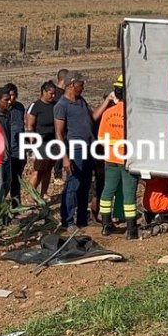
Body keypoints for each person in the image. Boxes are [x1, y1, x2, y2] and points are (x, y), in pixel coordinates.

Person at [53, 71, 111, 229]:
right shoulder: (61, 106)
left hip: (89, 148)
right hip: (75, 150)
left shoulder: (81, 101)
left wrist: (107, 101)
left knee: (85, 184)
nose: (83, 87)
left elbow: (93, 117)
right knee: (73, 184)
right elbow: (59, 133)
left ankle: (82, 218)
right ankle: (67, 220)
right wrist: (65, 158)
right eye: (81, 84)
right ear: (72, 85)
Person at [97, 75, 138, 239]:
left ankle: (106, 226)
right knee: (129, 194)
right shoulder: (132, 114)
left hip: (110, 159)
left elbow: (101, 138)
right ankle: (131, 230)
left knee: (107, 191)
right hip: (127, 160)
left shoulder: (108, 113)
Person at [25, 81, 58, 198]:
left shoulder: (55, 105)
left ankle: (44, 193)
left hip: (53, 142)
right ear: (44, 92)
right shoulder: (35, 106)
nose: (53, 96)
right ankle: (31, 195)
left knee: (48, 169)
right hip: (41, 142)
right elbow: (30, 126)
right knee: (38, 170)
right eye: (51, 93)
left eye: (54, 94)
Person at [4, 83, 26, 203]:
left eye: (13, 95)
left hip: (19, 150)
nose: (11, 98)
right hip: (7, 152)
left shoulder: (20, 107)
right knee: (4, 181)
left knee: (16, 181)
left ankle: (16, 207)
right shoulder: (0, 110)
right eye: (9, 95)